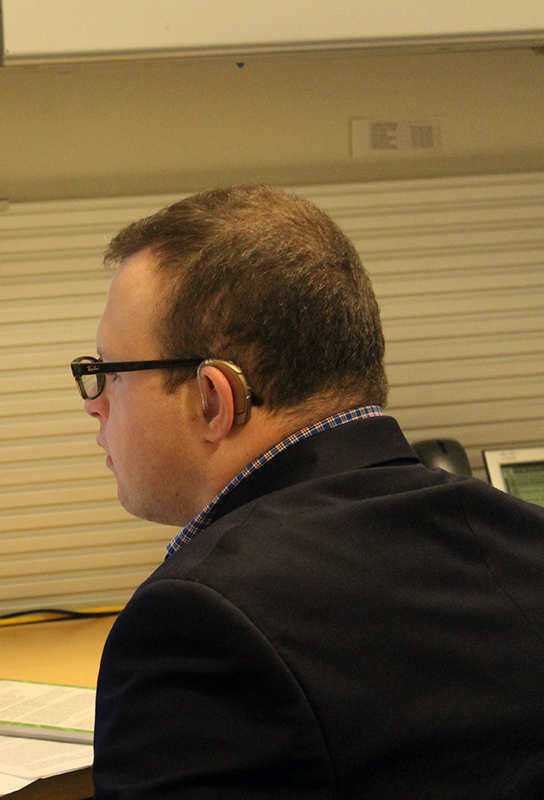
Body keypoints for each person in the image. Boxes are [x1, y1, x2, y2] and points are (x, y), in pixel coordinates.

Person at [77, 185, 544, 799]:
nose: (96, 405)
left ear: (213, 400)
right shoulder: (528, 541)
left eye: (109, 373)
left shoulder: (198, 622)